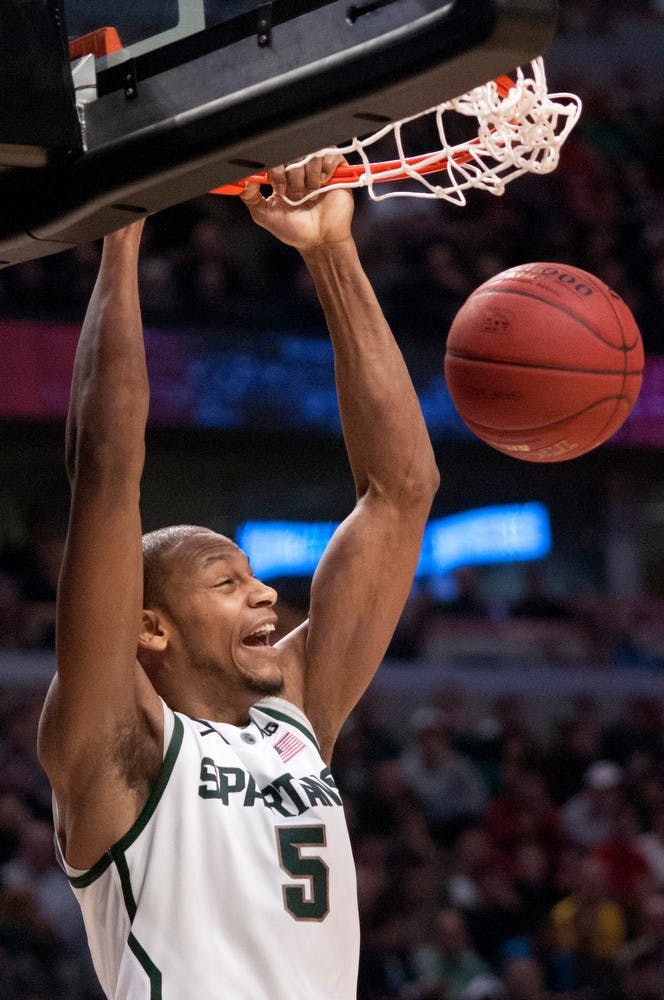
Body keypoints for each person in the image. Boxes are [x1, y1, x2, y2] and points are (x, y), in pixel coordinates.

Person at [36, 157, 440, 999]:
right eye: (226, 581)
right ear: (150, 626)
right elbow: (107, 468)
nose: (264, 594)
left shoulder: (295, 712)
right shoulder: (120, 748)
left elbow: (400, 493)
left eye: (253, 578)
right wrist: (122, 226)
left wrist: (331, 251)